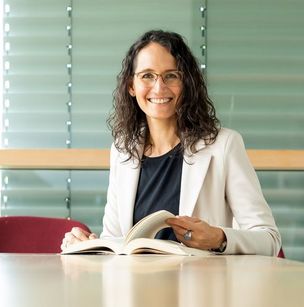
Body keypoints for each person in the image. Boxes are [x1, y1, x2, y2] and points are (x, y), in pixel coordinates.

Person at [61, 30, 281, 256]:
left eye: (171, 75)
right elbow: (115, 240)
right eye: (147, 75)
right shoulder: (121, 149)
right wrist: (88, 244)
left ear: (186, 83)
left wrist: (218, 238)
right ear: (131, 86)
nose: (159, 88)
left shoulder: (224, 145)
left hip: (198, 287)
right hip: (134, 288)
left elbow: (269, 239)